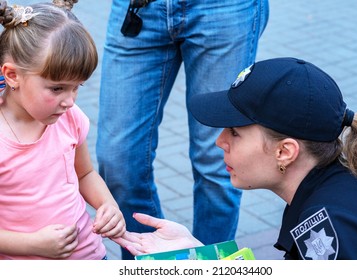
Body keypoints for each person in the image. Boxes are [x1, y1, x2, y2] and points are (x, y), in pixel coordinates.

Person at [116, 57, 357, 260]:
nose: (219, 141)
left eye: (234, 132)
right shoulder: (340, 189)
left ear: (285, 151)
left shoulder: (333, 230)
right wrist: (198, 256)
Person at [96, 0, 270, 259]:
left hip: (223, 8)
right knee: (119, 161)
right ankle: (154, 263)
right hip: (140, 8)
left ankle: (209, 266)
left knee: (218, 161)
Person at [0, 0, 127, 259]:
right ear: (13, 76)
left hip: (90, 257)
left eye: (77, 87)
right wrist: (31, 244)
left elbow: (85, 174)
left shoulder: (69, 117)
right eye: (57, 88)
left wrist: (107, 204)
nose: (70, 101)